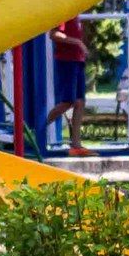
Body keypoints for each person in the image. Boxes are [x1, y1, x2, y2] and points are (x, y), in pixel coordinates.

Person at [44, 15, 92, 155]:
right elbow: (54, 34)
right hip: (67, 61)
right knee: (68, 101)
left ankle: (76, 145)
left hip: (78, 60)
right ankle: (38, 128)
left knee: (80, 102)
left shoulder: (76, 15)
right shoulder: (66, 13)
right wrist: (77, 42)